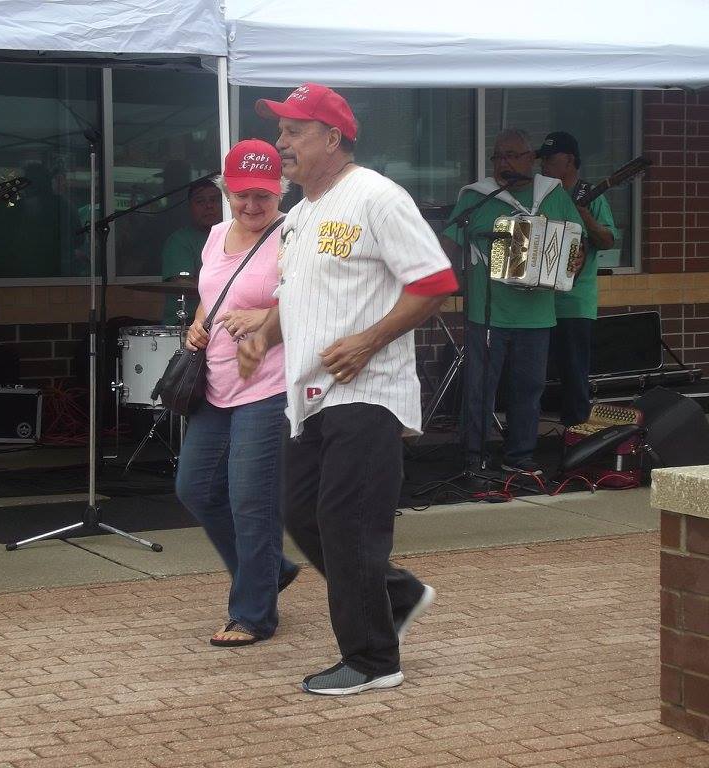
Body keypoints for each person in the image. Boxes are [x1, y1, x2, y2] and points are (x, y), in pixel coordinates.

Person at [239, 83, 455, 695]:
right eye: (281, 131)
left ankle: (372, 660)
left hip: (368, 390)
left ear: (333, 139)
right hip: (307, 396)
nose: (281, 144)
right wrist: (265, 333)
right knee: (300, 512)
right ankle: (397, 595)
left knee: (347, 522)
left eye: (295, 131)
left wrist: (368, 340)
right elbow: (297, 294)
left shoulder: (377, 198)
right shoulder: (300, 215)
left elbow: (435, 282)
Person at [173, 139, 300, 648]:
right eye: (242, 195)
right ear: (226, 190)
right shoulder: (217, 234)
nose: (251, 206)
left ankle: (252, 614)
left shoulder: (293, 233)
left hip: (267, 386)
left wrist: (265, 320)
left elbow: (312, 304)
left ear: (280, 191)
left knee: (251, 500)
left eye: (263, 196)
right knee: (196, 488)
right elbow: (210, 296)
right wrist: (198, 327)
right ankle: (271, 569)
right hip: (216, 383)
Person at [439, 129, 583, 476]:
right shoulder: (478, 198)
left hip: (536, 314)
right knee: (479, 389)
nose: (504, 163)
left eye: (512, 155)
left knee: (528, 389)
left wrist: (575, 259)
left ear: (530, 159)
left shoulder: (553, 195)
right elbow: (449, 246)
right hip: (487, 312)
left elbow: (577, 240)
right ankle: (474, 457)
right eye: (498, 156)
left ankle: (519, 457)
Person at [535, 131, 620, 430]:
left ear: (569, 160)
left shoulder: (590, 194)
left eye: (550, 158)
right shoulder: (543, 195)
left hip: (574, 303)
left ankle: (576, 439)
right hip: (540, 301)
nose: (543, 164)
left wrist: (585, 216)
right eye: (542, 159)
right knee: (535, 374)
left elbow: (608, 239)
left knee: (574, 374)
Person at [160, 178, 222, 324]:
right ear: (190, 207)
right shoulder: (179, 240)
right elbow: (182, 282)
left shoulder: (234, 235)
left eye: (214, 200)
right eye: (200, 201)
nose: (208, 206)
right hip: (186, 322)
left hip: (225, 319)